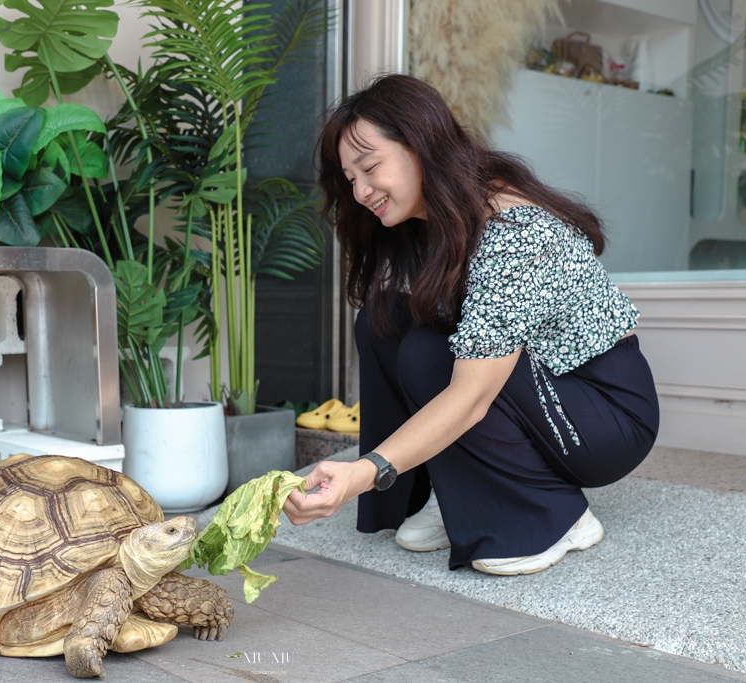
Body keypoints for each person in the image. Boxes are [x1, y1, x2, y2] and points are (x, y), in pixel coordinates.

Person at [282, 74, 659, 575]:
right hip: (543, 389)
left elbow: (473, 395)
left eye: (370, 167)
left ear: (420, 145)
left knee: (427, 354)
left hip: (605, 416)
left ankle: (556, 517)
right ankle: (455, 491)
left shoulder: (515, 234)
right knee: (383, 320)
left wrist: (363, 472)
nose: (361, 191)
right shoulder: (441, 220)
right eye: (350, 179)